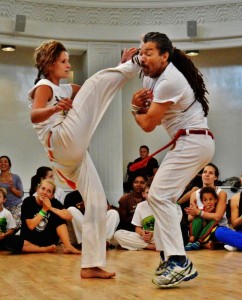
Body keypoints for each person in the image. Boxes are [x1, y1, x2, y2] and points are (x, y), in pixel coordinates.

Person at [28, 40, 140, 278]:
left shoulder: (67, 89)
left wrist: (117, 70)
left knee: (98, 202)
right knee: (93, 84)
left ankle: (90, 265)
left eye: (68, 60)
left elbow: (97, 97)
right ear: (49, 64)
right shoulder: (44, 86)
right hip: (59, 142)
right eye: (63, 61)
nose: (68, 65)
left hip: (72, 157)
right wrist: (55, 109)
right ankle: (130, 67)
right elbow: (34, 115)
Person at [130, 32, 215, 288]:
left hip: (194, 141)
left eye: (149, 53)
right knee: (161, 197)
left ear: (165, 56)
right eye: (142, 51)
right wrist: (130, 58)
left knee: (157, 196)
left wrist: (134, 108)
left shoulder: (169, 80)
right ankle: (170, 256)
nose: (143, 57)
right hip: (188, 142)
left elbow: (147, 124)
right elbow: (134, 60)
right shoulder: (147, 70)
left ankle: (179, 259)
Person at [4, 179, 80, 254]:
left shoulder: (54, 202)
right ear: (37, 189)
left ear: (52, 195)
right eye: (43, 189)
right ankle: (43, 249)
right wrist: (44, 209)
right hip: (29, 240)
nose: (45, 192)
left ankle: (67, 246)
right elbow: (31, 225)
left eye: (49, 191)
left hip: (48, 240)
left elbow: (68, 216)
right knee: (8, 240)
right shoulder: (28, 201)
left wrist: (51, 208)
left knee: (59, 216)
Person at [114, 179, 156, 250]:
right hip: (145, 238)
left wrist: (152, 234)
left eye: (153, 192)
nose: (150, 195)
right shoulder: (140, 206)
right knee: (118, 234)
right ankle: (149, 246)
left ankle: (141, 245)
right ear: (143, 194)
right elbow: (137, 228)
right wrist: (143, 233)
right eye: (148, 192)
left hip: (158, 237)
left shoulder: (163, 206)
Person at [0, 155, 24, 228]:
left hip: (17, 207)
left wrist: (12, 188)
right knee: (3, 228)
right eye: (0, 162)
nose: (3, 163)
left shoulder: (16, 177)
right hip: (2, 209)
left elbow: (21, 194)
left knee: (15, 227)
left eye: (5, 162)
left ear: (10, 165)